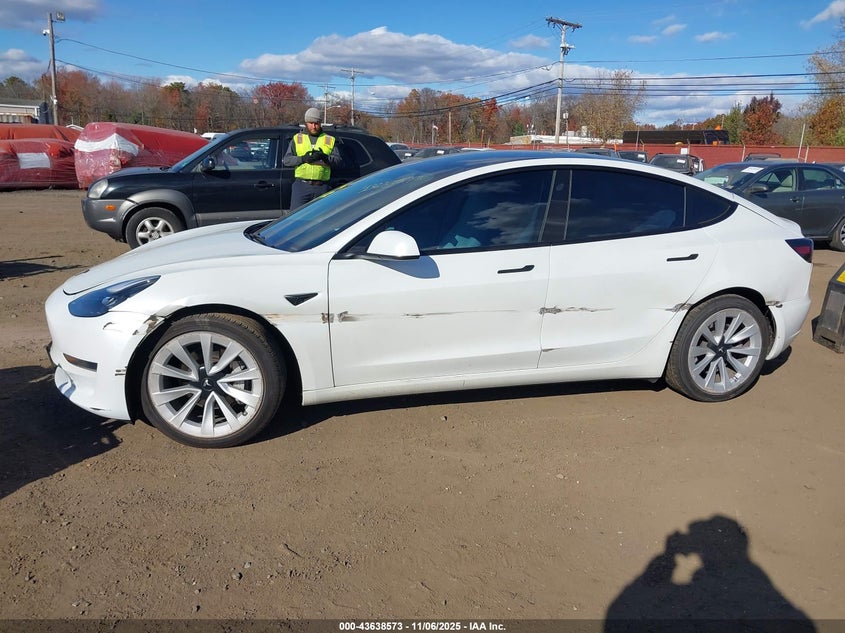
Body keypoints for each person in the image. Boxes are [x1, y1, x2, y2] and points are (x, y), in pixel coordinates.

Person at [283, 107, 342, 210]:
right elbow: (287, 160)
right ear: (306, 123)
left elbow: (338, 161)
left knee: (322, 217)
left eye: (316, 123)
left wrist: (325, 157)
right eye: (311, 123)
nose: (314, 126)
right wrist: (303, 159)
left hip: (322, 187)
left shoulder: (329, 139)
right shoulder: (298, 138)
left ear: (320, 123)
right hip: (301, 187)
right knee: (297, 217)